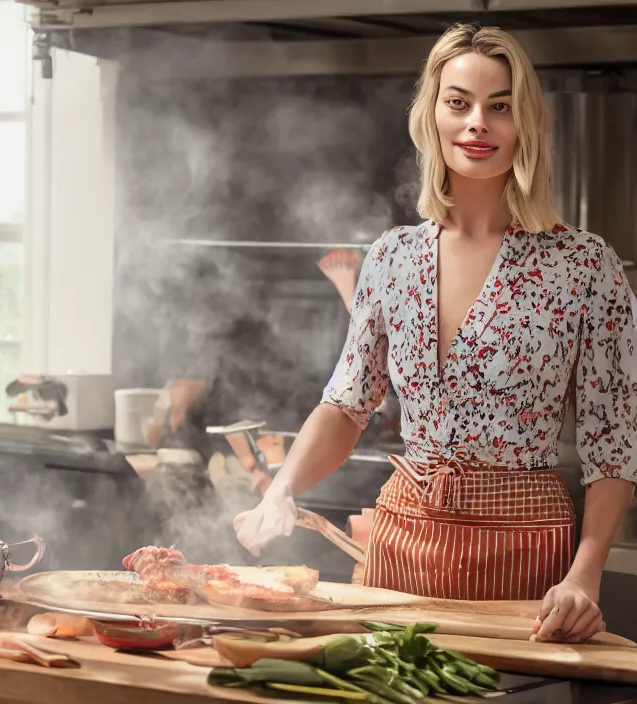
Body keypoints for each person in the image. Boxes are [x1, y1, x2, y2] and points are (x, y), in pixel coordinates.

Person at [233, 23, 637, 644]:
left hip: (526, 553)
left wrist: (585, 576)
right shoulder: (391, 257)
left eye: (499, 106)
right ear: (433, 116)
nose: (478, 122)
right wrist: (280, 490)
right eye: (459, 103)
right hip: (401, 544)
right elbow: (345, 406)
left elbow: (613, 445)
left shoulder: (584, 265)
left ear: (524, 122)